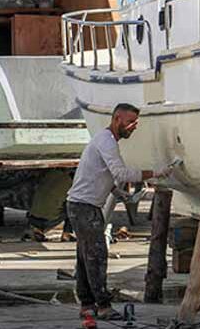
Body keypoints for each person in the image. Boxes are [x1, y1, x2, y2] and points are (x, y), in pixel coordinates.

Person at [67, 103, 173, 322]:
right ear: (117, 119)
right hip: (85, 207)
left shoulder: (103, 140)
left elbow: (99, 173)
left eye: (136, 122)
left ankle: (87, 305)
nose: (134, 127)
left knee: (85, 257)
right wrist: (155, 173)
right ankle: (103, 307)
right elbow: (120, 172)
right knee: (96, 257)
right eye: (130, 122)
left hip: (81, 205)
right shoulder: (107, 141)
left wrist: (117, 192)